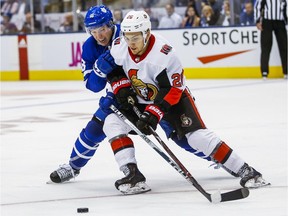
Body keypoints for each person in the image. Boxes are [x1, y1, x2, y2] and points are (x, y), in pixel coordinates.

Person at [104, 10, 270, 189]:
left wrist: (154, 113)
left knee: (196, 137)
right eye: (128, 37)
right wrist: (120, 87)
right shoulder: (120, 45)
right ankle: (132, 175)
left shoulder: (164, 53)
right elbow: (115, 70)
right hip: (140, 97)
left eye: (135, 38)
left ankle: (246, 170)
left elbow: (173, 88)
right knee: (112, 123)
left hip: (173, 98)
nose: (131, 43)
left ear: (147, 33)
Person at [49, 5, 150, 195]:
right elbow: (92, 85)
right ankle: (73, 166)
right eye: (93, 31)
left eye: (102, 29)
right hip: (120, 97)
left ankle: (216, 157)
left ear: (111, 25)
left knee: (181, 133)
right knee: (94, 129)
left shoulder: (128, 33)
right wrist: (100, 69)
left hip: (148, 93)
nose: (99, 36)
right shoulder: (89, 46)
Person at [255, 0, 287, 79]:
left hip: (280, 21)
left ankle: (286, 71)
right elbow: (257, 6)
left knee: (284, 46)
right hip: (267, 21)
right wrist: (258, 20)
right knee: (266, 47)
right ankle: (264, 72)